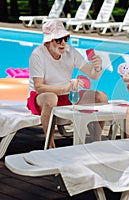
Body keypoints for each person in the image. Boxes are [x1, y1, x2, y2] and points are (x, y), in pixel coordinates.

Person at [27, 19, 108, 148]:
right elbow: (39, 87)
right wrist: (65, 88)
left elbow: (93, 75)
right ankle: (50, 144)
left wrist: (98, 67)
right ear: (48, 41)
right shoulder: (38, 55)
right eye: (58, 40)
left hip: (67, 94)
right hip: (41, 98)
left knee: (101, 97)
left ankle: (95, 141)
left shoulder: (71, 52)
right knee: (51, 98)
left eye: (66, 38)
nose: (63, 43)